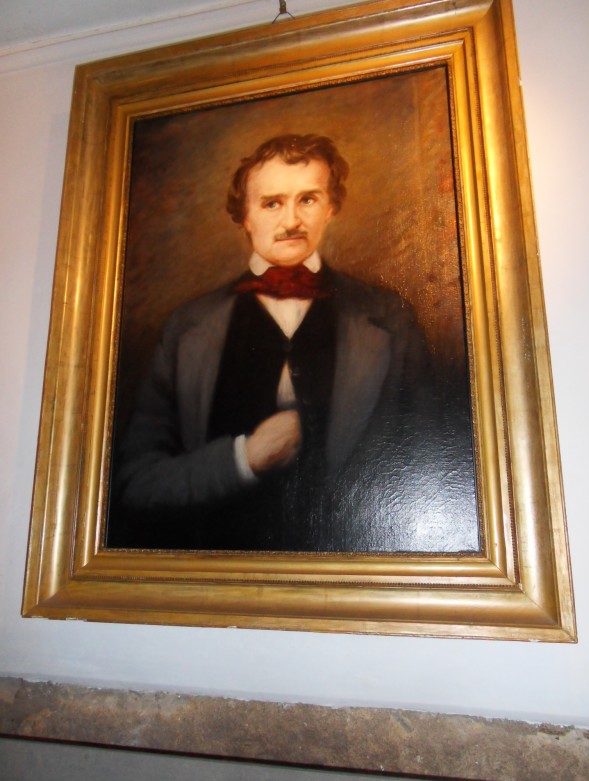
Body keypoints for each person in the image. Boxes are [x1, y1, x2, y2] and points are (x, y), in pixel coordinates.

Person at [108, 134, 456, 552]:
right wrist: (243, 458)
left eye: (307, 199)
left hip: (350, 563)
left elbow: (432, 465)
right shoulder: (188, 328)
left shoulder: (389, 319)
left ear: (331, 207)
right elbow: (136, 482)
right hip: (217, 568)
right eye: (271, 203)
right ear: (244, 216)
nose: (291, 221)